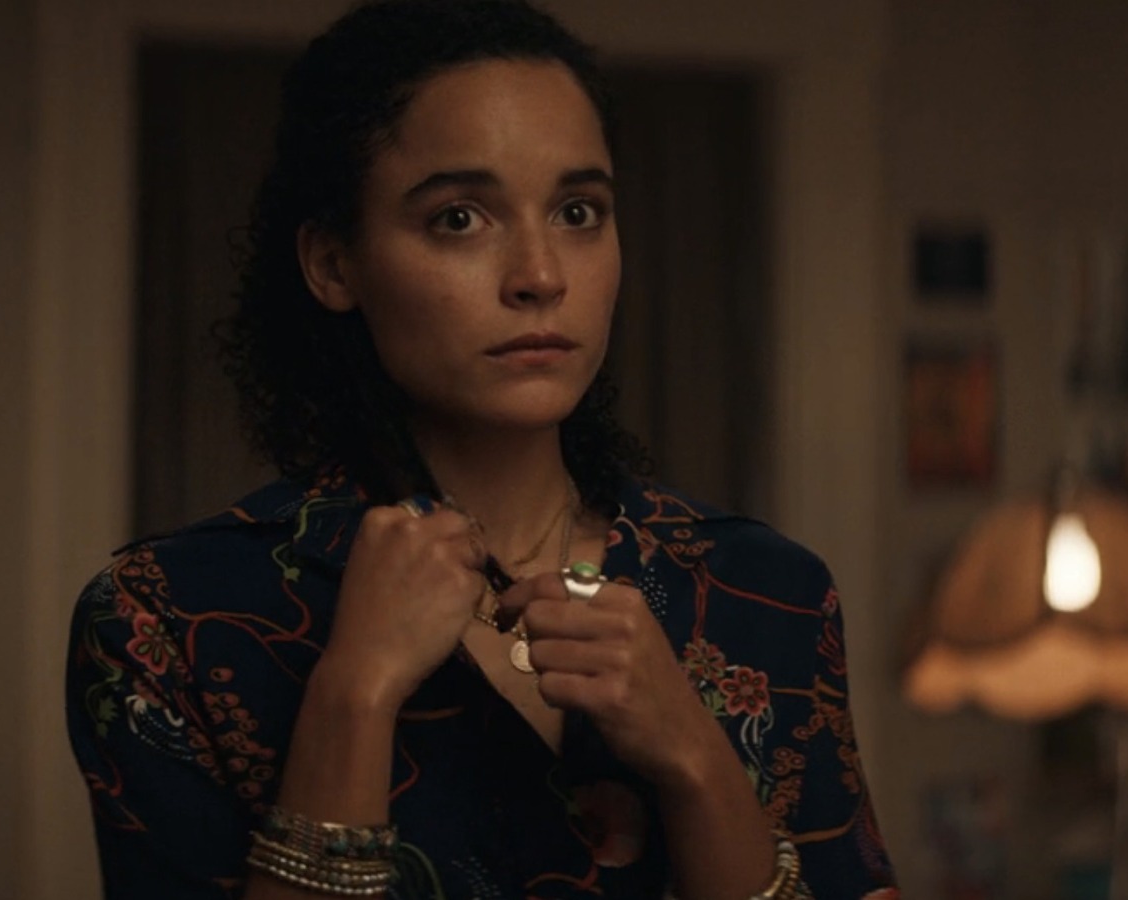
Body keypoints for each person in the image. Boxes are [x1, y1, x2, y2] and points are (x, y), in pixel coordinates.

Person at [65, 1, 899, 898]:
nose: (541, 275)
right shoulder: (167, 620)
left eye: (578, 211)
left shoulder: (769, 594)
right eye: (460, 218)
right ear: (335, 264)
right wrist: (354, 693)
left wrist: (696, 760)